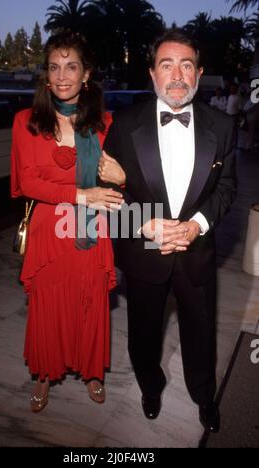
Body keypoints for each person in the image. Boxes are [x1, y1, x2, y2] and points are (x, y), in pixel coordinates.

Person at [99, 29, 237, 433]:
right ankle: (150, 386)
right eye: (166, 64)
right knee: (143, 335)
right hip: (144, 255)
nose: (177, 75)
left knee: (201, 334)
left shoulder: (223, 126)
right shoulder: (124, 124)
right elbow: (106, 193)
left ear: (199, 73)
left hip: (197, 255)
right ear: (152, 73)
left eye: (187, 64)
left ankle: (203, 395)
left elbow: (227, 188)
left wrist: (196, 226)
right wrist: (143, 222)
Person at [11, 31, 124, 412]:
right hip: (49, 231)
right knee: (48, 306)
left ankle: (93, 371)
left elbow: (125, 180)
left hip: (93, 230)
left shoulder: (105, 124)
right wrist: (81, 194)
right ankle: (44, 374)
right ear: (45, 74)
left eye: (71, 66)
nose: (62, 76)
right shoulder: (26, 121)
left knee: (90, 302)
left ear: (86, 74)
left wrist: (121, 177)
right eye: (54, 67)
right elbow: (29, 182)